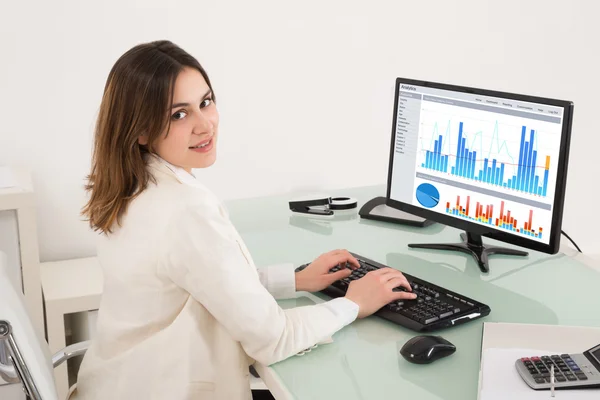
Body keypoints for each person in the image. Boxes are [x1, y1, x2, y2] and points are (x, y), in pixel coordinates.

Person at [73, 40, 416, 400]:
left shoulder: (132, 185)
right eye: (179, 114)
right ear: (139, 130)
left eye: (205, 102)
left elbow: (206, 282)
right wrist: (353, 303)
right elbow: (274, 339)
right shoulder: (184, 210)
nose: (204, 124)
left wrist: (296, 280)